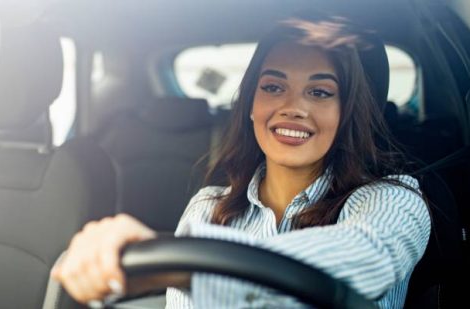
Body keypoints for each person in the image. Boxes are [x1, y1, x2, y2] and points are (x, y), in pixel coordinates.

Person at [50, 14, 430, 308]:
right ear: (251, 104)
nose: (293, 108)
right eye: (273, 87)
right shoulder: (208, 208)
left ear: (347, 112)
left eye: (319, 91)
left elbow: (366, 259)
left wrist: (181, 266)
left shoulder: (394, 201)